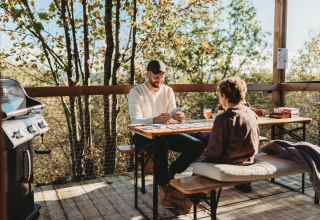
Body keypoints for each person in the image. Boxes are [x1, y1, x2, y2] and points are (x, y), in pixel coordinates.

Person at [128, 59, 204, 208]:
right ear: (148, 74)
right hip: (141, 135)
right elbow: (135, 121)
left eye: (162, 76)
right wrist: (154, 119)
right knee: (161, 144)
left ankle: (170, 172)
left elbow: (172, 119)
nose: (160, 80)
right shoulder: (136, 92)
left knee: (197, 145)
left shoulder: (168, 90)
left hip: (165, 131)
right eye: (156, 76)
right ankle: (164, 187)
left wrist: (179, 119)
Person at [204, 76, 259, 192]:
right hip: (249, 160)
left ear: (224, 96)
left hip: (229, 162)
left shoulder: (223, 118)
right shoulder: (251, 114)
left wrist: (206, 156)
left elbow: (214, 150)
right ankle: (242, 184)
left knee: (200, 167)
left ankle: (190, 199)